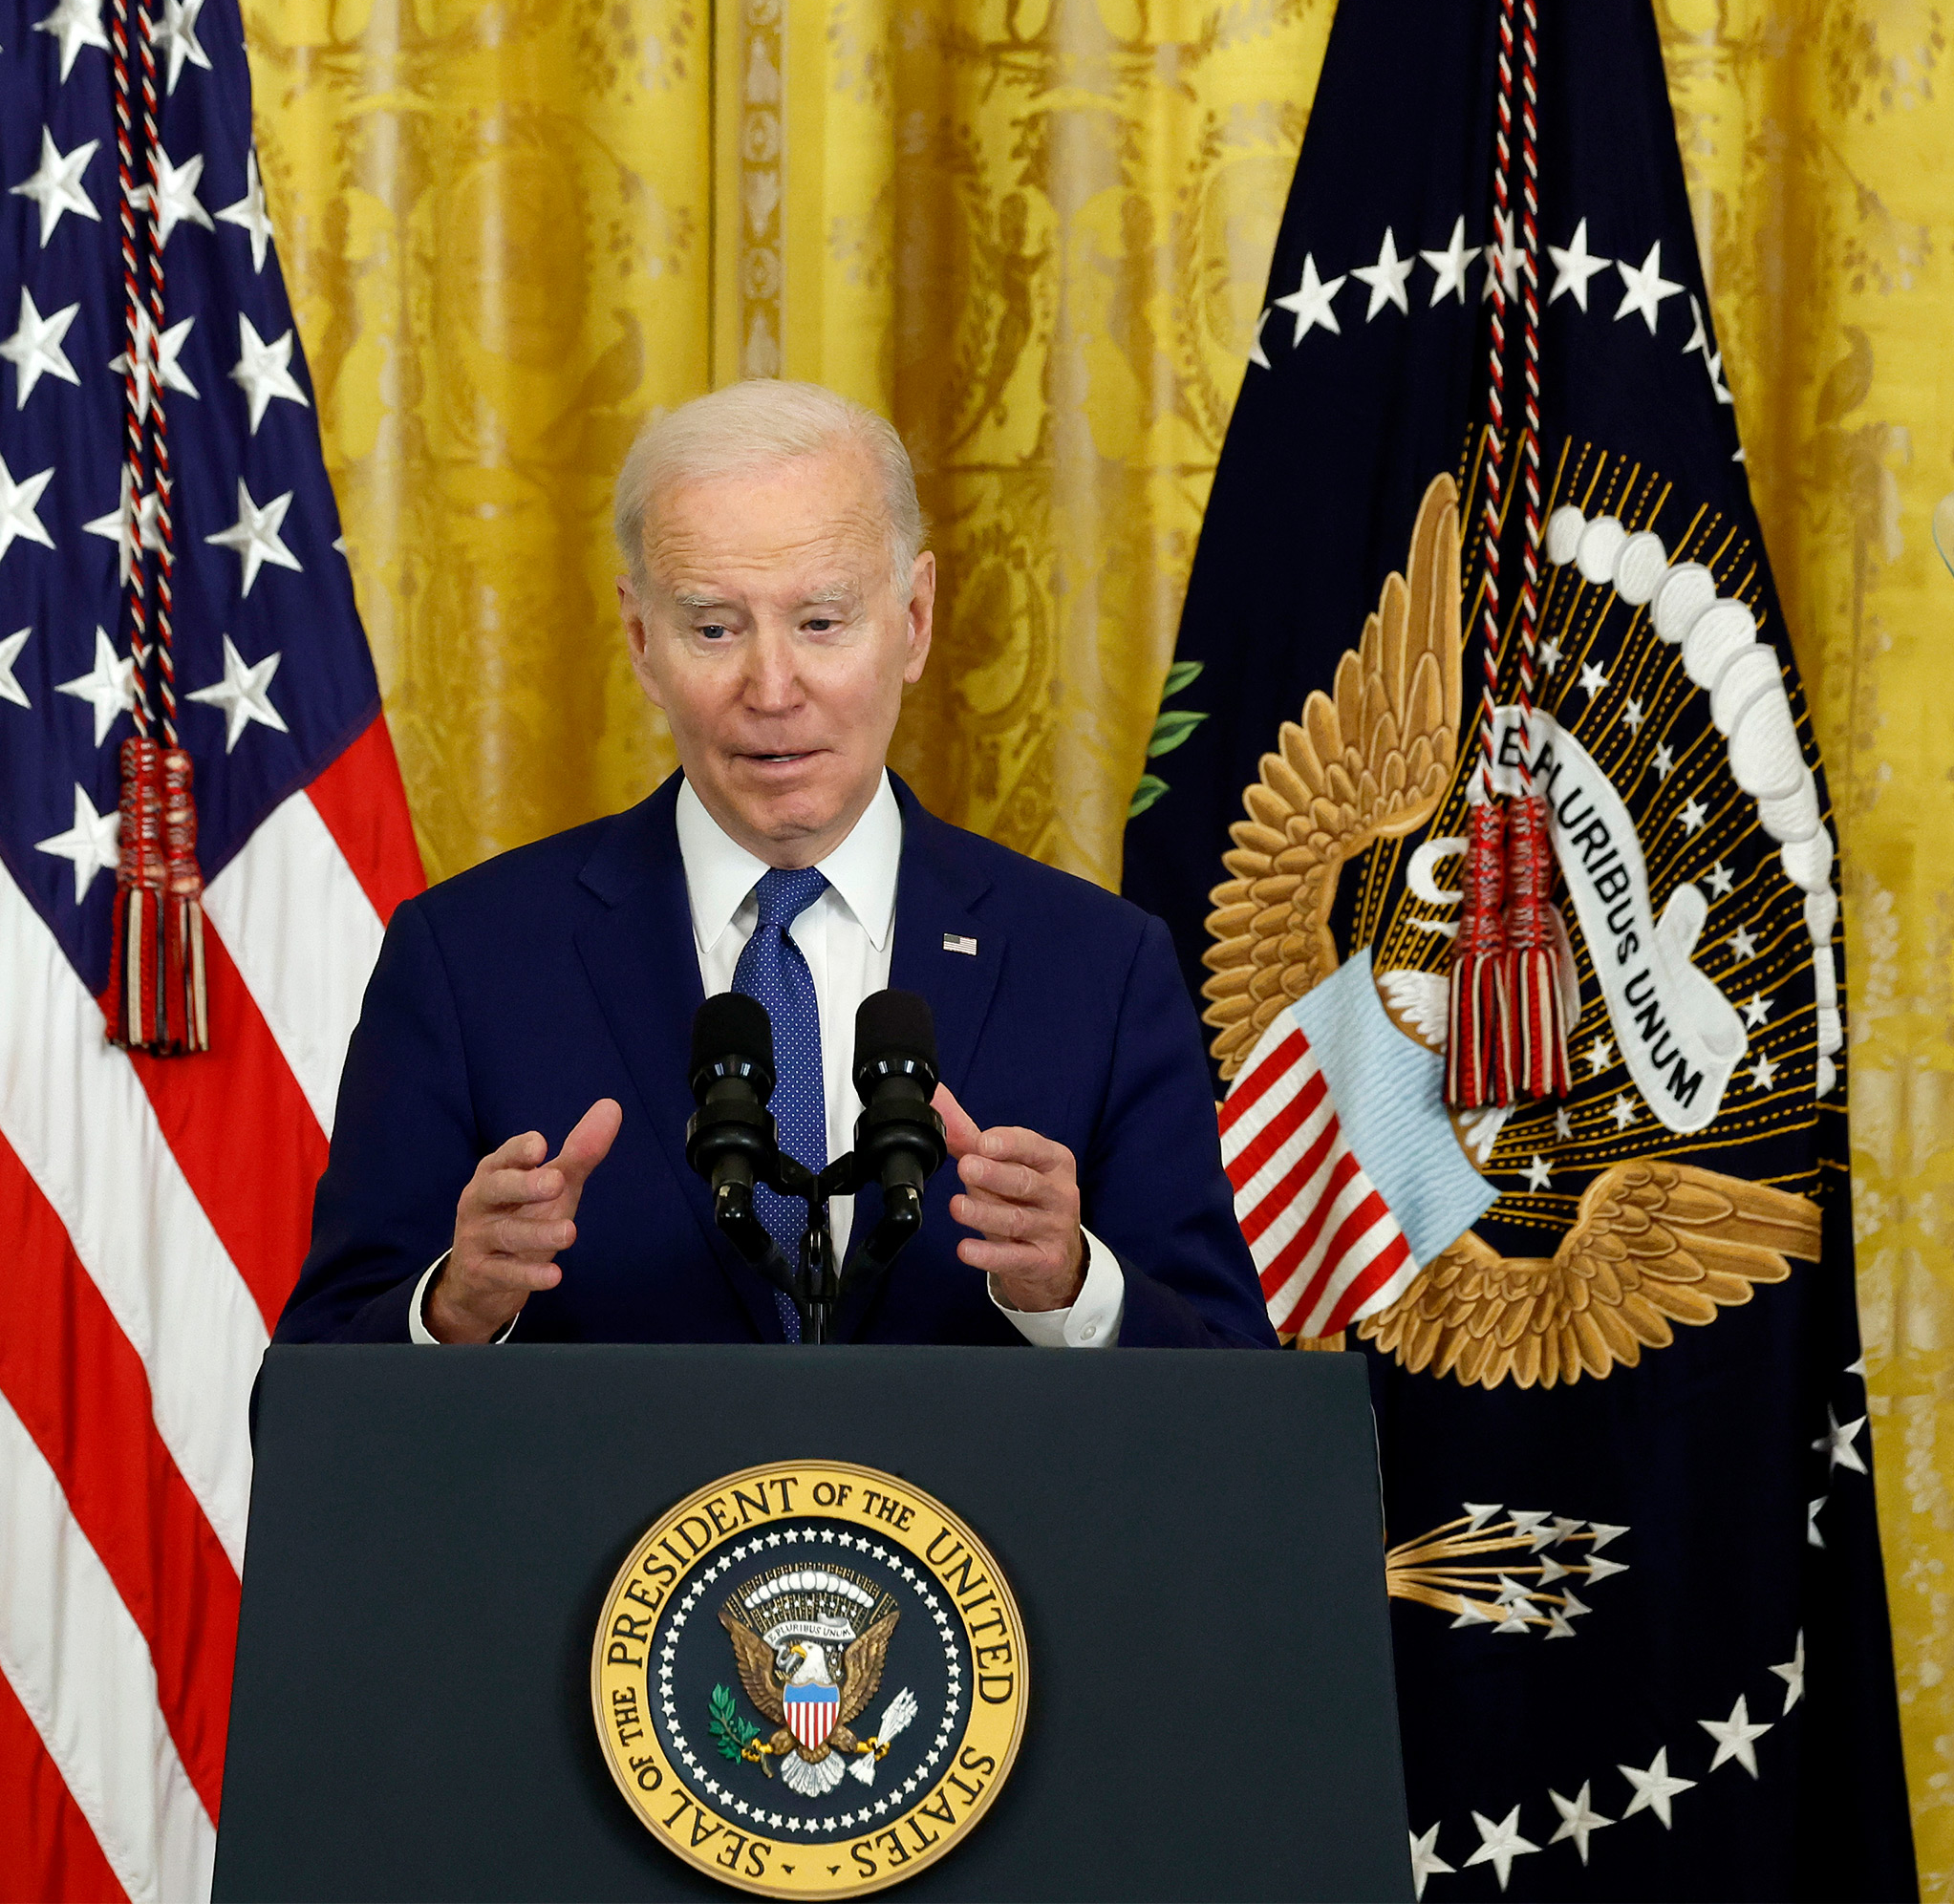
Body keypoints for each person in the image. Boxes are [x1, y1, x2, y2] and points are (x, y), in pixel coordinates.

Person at [276, 379, 1273, 1349]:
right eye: (715, 628)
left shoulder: (1097, 967)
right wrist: (455, 1308)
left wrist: (1077, 1289)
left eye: (821, 622)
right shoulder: (468, 960)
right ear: (641, 638)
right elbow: (314, 1396)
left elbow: (1239, 1404)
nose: (773, 688)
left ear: (914, 620)